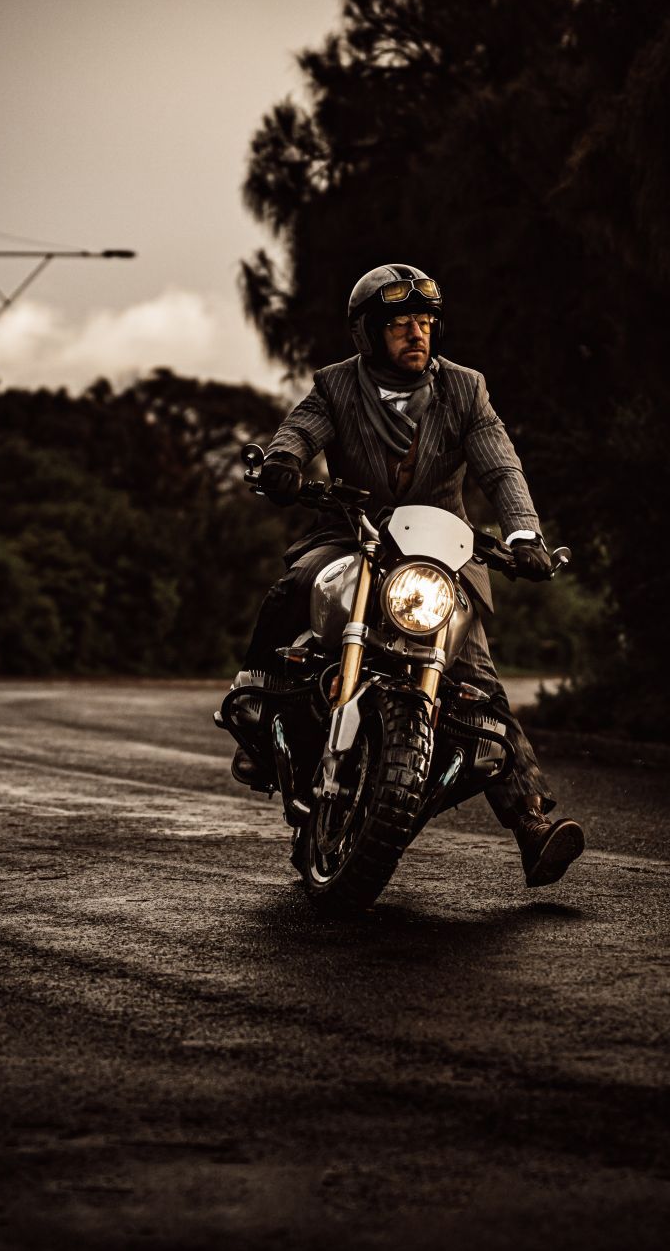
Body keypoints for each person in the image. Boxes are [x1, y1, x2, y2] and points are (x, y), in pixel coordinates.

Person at [232, 264, 584, 889]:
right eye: (400, 324)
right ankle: (256, 712)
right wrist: (285, 461)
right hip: (351, 533)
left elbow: (500, 466)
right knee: (295, 586)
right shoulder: (337, 385)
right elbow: (301, 428)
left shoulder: (466, 389)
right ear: (368, 333)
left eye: (424, 323)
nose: (416, 334)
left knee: (478, 677)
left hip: (442, 551)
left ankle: (530, 824)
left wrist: (525, 533)